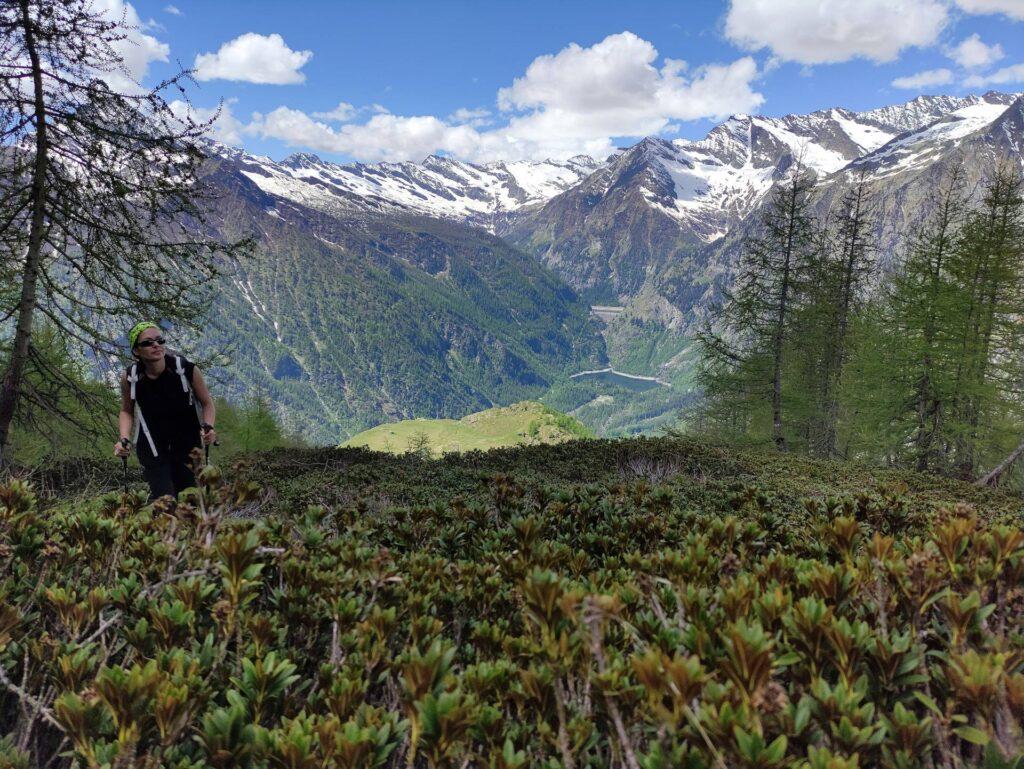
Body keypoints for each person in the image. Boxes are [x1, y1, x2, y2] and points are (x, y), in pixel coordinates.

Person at [113, 322, 218, 500]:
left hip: (188, 445)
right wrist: (124, 438)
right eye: (147, 342)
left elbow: (207, 403)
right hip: (151, 447)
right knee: (165, 500)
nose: (156, 345)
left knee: (188, 500)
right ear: (136, 351)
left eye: (160, 340)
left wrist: (209, 427)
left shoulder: (185, 369)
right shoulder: (130, 377)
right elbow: (126, 410)